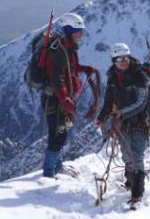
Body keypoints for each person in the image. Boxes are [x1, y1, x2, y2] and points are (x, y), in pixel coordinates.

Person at [40, 12, 98, 178]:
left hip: (60, 99)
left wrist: (83, 68)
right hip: (55, 100)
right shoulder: (59, 50)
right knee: (58, 135)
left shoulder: (68, 47)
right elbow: (56, 77)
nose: (82, 34)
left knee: (61, 132)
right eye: (78, 31)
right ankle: (49, 173)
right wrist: (64, 97)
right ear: (69, 30)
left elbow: (69, 69)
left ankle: (57, 167)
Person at [95, 43, 150, 205]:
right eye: (119, 58)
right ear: (114, 60)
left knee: (137, 154)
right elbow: (108, 101)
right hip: (122, 123)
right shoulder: (112, 78)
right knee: (127, 155)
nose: (123, 61)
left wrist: (122, 113)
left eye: (125, 58)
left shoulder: (139, 75)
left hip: (140, 121)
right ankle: (130, 179)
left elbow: (142, 101)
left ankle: (137, 191)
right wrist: (102, 117)